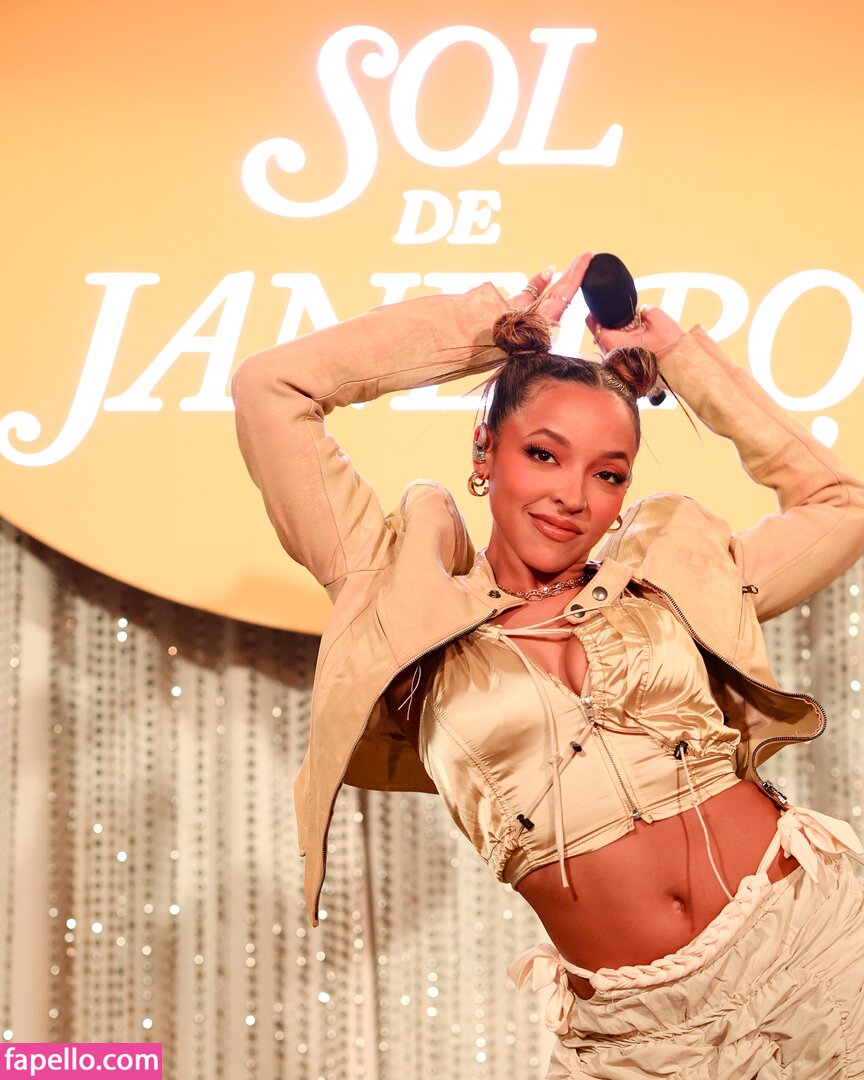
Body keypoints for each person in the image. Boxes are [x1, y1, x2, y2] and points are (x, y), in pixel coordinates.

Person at [231, 252, 864, 1077]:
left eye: (608, 474)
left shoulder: (674, 575)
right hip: (644, 1035)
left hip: (820, 942)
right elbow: (270, 389)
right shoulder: (400, 593)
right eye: (543, 455)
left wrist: (681, 363)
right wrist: (485, 330)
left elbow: (839, 504)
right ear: (485, 450)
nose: (573, 496)